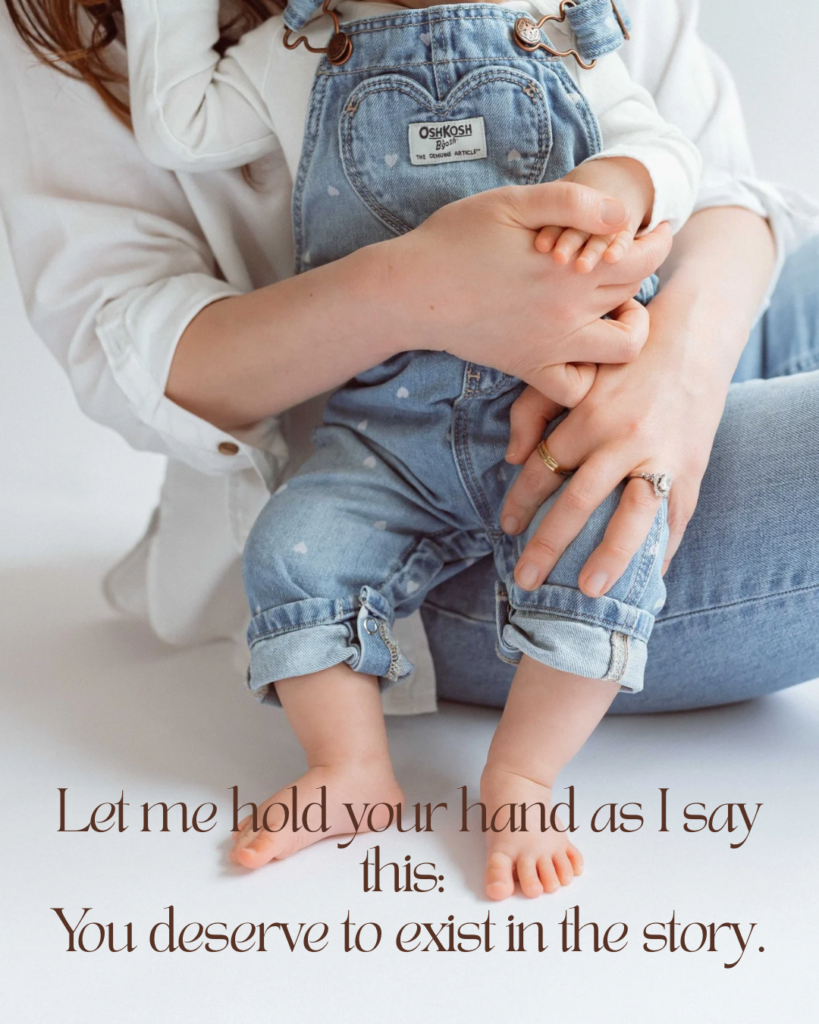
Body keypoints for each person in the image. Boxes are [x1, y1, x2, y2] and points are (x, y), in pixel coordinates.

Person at [1, 0, 817, 897]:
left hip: (588, 397)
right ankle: (356, 764)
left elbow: (690, 165)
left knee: (614, 506)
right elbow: (175, 144)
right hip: (392, 474)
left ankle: (520, 777)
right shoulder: (295, 52)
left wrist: (670, 374)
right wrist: (416, 287)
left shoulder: (547, 27)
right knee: (301, 550)